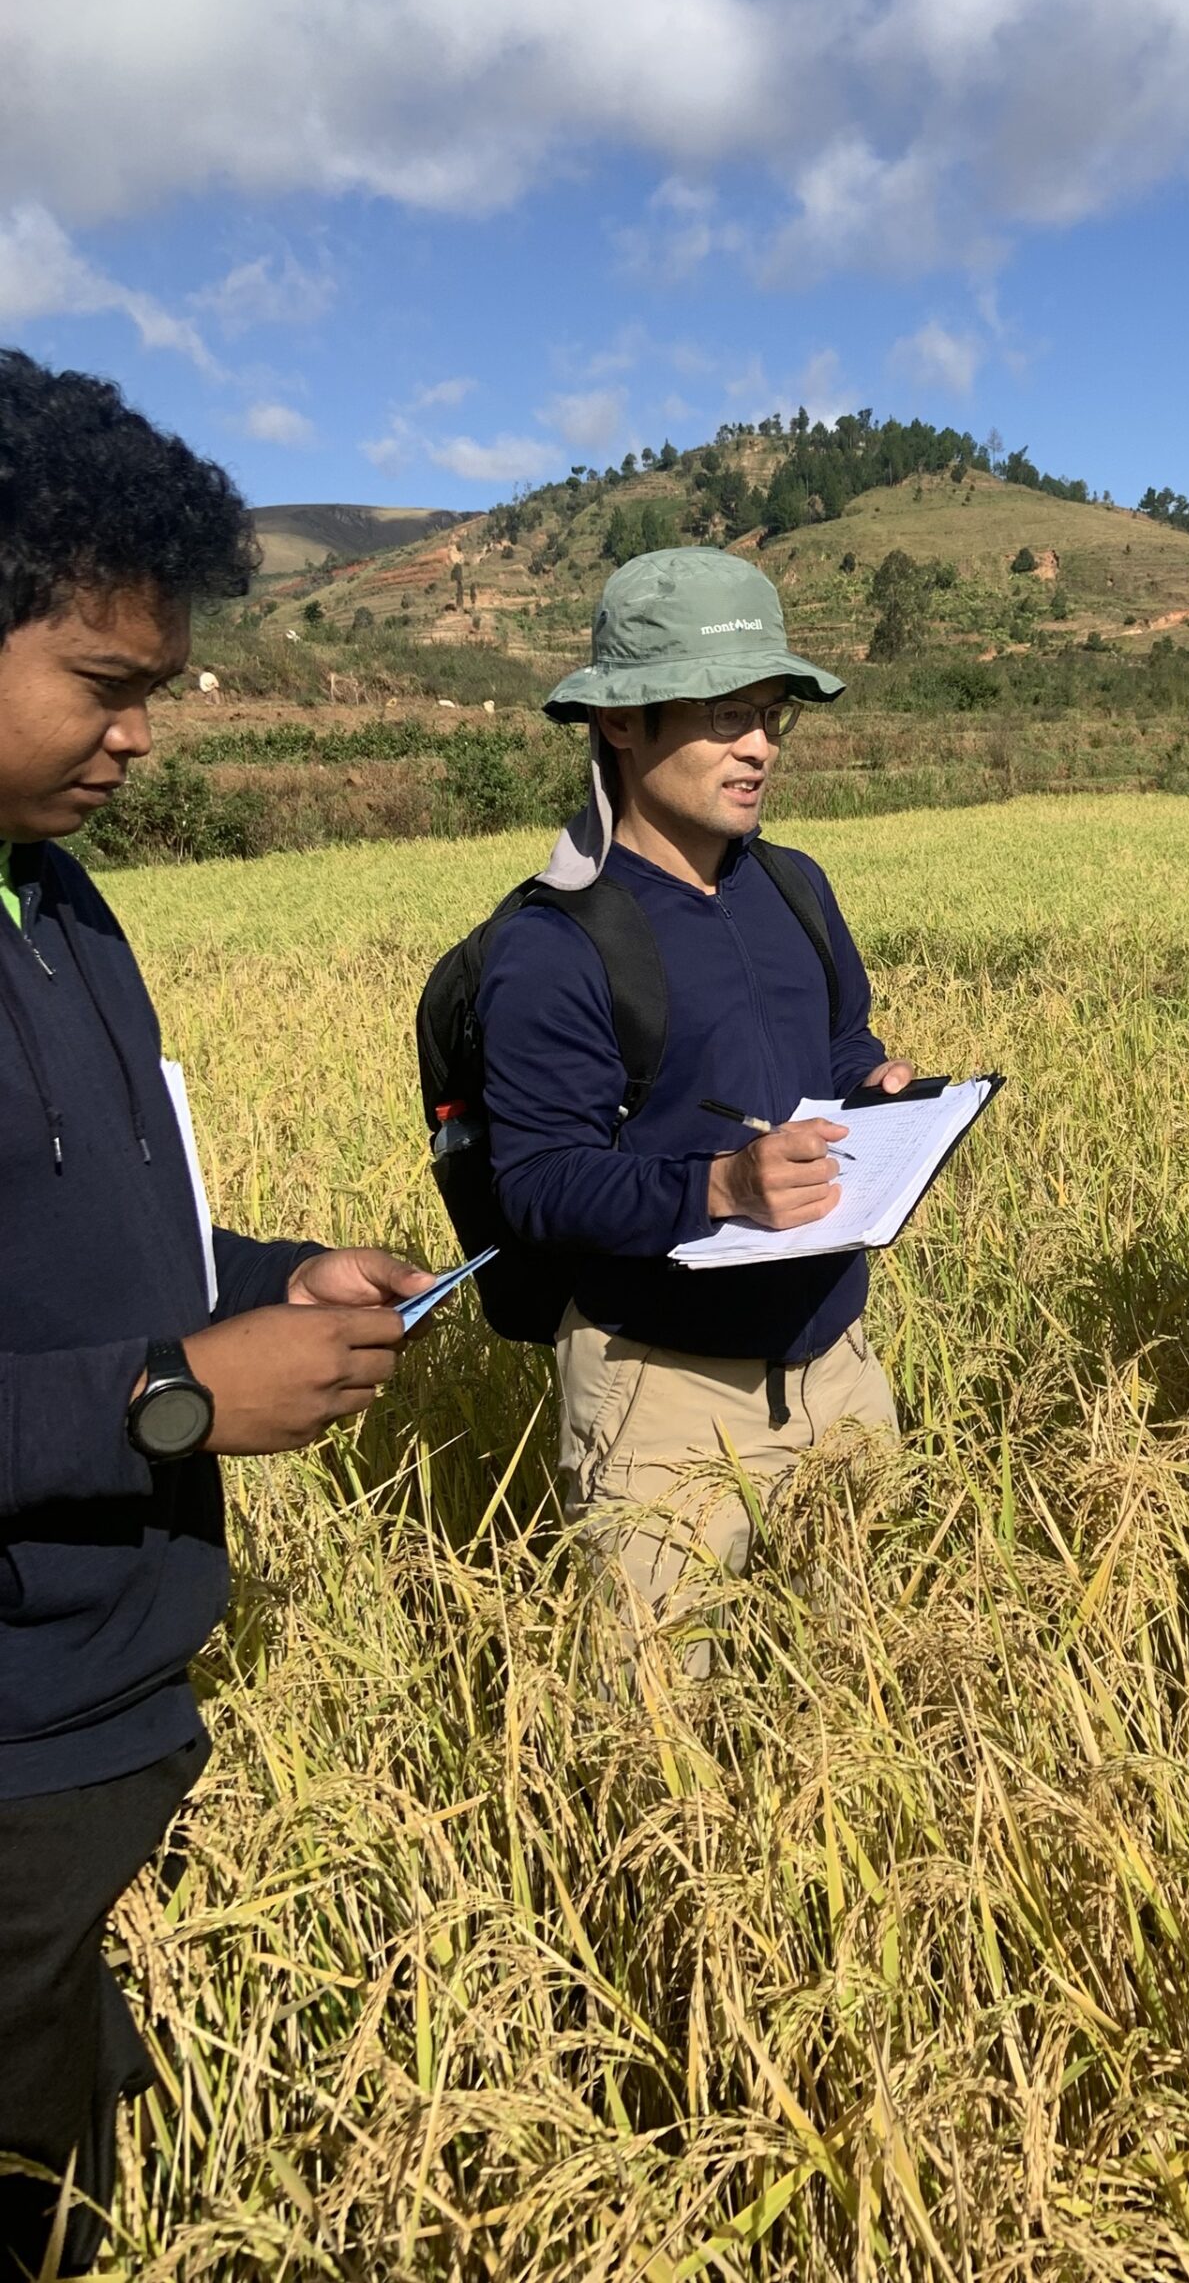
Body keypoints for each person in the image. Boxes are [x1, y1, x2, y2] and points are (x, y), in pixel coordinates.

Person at [0, 351, 436, 2279]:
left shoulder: (63, 904)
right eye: (105, 686)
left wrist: (272, 1283)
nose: (141, 738)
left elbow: (101, 1233)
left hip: (108, 1697)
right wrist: (177, 1399)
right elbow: (130, 1367)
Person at [476, 547, 913, 1662]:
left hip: (835, 1368)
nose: (759, 745)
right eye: (725, 715)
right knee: (664, 1746)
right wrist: (720, 1185)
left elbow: (838, 1044)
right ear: (621, 723)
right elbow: (535, 1183)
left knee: (871, 1693)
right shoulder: (554, 943)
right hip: (659, 1396)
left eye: (770, 714)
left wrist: (881, 1091)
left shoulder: (795, 886)